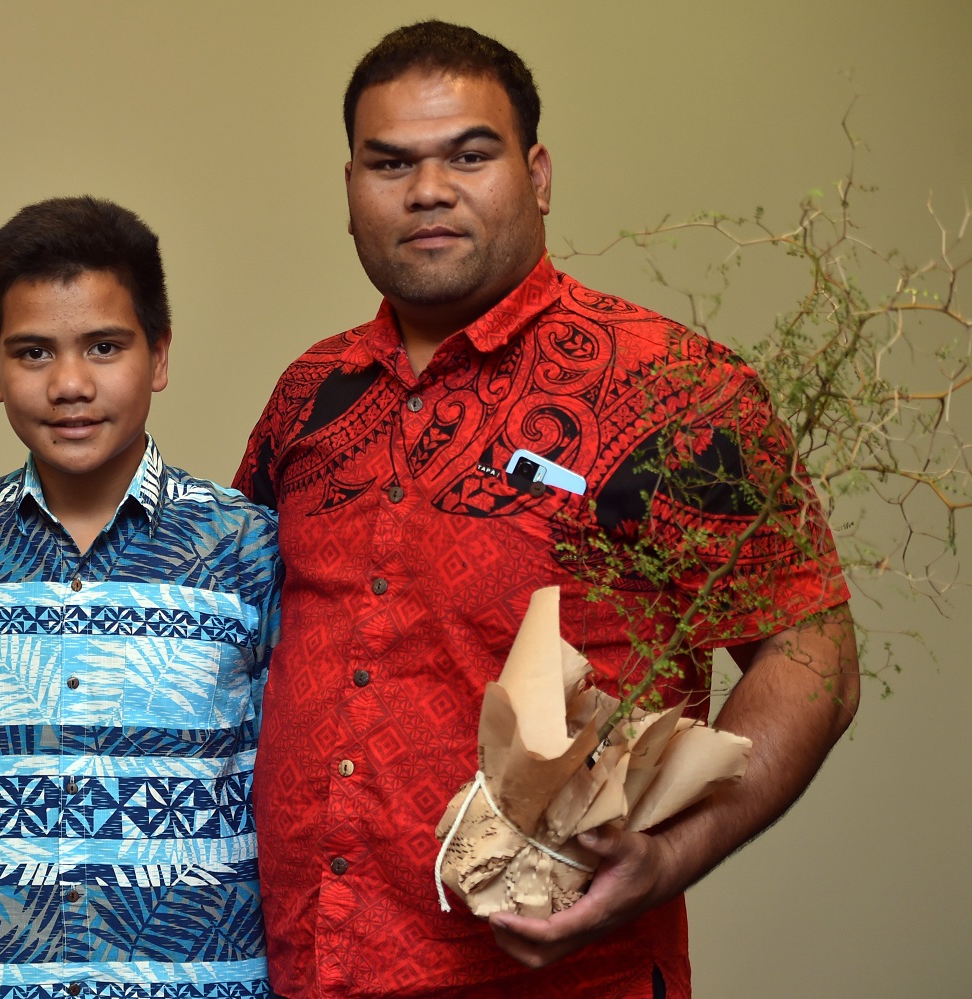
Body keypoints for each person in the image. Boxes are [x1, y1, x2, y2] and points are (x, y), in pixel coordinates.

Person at [233, 21, 860, 999]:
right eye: (389, 162)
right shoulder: (309, 397)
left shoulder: (676, 392)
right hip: (301, 968)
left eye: (468, 156)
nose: (428, 189)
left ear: (539, 175)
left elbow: (814, 658)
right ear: (349, 189)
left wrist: (676, 855)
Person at [0, 197, 281, 997]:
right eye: (32, 352)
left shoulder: (248, 547)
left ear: (160, 355)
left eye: (104, 346)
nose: (70, 383)